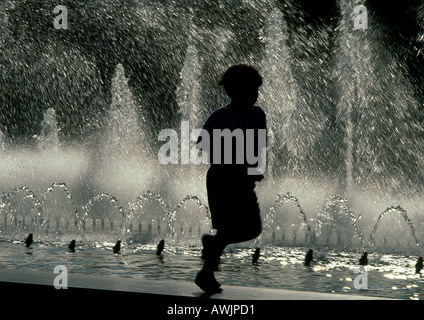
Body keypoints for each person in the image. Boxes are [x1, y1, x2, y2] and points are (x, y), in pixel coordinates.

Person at [195, 64, 267, 293]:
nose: (253, 95)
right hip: (223, 178)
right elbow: (203, 144)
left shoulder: (258, 115)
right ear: (232, 92)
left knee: (252, 228)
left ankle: (212, 249)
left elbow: (259, 146)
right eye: (248, 90)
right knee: (228, 227)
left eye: (256, 90)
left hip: (244, 180)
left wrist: (256, 168)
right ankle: (207, 274)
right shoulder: (222, 116)